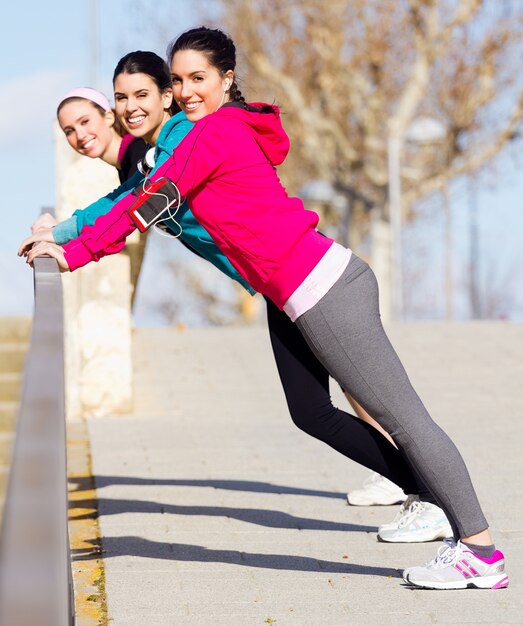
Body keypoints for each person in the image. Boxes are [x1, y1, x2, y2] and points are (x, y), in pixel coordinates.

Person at [24, 31, 499, 577]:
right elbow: (135, 198)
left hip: (322, 289)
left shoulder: (211, 135)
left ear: (226, 79)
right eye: (178, 81)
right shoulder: (206, 133)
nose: (185, 91)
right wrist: (66, 239)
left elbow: (144, 205)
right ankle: (436, 502)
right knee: (312, 411)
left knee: (406, 419)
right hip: (293, 291)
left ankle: (479, 550)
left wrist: (70, 254)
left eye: (196, 79)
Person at [33, 87, 147, 235]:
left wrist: (61, 230)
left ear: (108, 117)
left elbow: (119, 213)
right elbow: (113, 205)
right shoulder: (126, 162)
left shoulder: (139, 152)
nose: (80, 135)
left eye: (85, 122)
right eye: (69, 131)